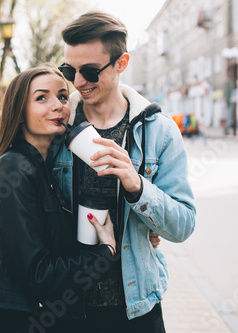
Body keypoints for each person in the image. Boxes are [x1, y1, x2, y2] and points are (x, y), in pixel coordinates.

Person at [50, 11, 196, 332]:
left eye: (89, 71)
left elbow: (183, 225)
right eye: (68, 70)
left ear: (122, 63)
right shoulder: (56, 125)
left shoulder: (159, 131)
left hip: (137, 307)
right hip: (67, 307)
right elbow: (19, 187)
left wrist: (138, 188)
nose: (77, 82)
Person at [0, 65, 118, 333]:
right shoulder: (13, 169)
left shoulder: (48, 167)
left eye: (63, 96)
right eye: (41, 98)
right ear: (20, 112)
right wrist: (103, 253)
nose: (58, 106)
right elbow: (37, 273)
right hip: (14, 320)